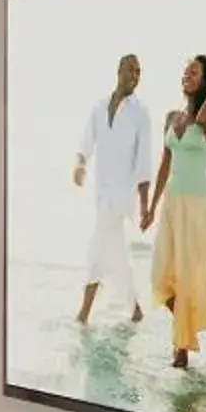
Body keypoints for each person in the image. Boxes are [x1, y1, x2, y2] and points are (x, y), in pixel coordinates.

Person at [148, 55, 206, 369]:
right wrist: (149, 207)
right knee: (162, 278)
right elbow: (164, 165)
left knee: (187, 277)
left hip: (197, 207)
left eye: (194, 71)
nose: (186, 73)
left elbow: (201, 121)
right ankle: (186, 329)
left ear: (205, 81)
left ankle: (180, 352)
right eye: (186, 69)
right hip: (173, 204)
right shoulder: (171, 117)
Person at [73, 53, 154, 324]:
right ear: (119, 71)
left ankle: (83, 315)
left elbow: (144, 162)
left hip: (122, 196)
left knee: (97, 246)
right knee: (116, 255)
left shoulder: (140, 113)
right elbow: (86, 141)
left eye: (139, 72)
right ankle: (136, 311)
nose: (135, 75)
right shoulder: (98, 108)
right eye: (131, 70)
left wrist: (145, 206)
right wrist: (80, 164)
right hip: (102, 193)